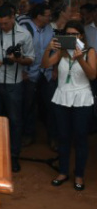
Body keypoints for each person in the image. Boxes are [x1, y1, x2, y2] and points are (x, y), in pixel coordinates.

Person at [0, 5, 34, 173]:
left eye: (5, 23)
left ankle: (14, 156)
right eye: (0, 23)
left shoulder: (24, 34)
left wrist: (18, 60)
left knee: (15, 121)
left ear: (13, 17)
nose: (2, 26)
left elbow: (31, 59)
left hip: (14, 83)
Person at [42, 21, 96, 191]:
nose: (72, 37)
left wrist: (80, 59)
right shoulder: (62, 52)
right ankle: (63, 171)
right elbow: (45, 65)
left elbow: (93, 75)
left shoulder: (89, 51)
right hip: (62, 97)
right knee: (63, 137)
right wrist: (47, 49)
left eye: (75, 34)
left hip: (82, 97)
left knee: (80, 137)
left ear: (81, 36)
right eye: (69, 34)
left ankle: (79, 174)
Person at [20, 4, 55, 148]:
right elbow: (19, 50)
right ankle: (28, 135)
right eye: (47, 15)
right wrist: (22, 71)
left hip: (46, 72)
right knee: (29, 106)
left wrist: (55, 68)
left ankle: (53, 137)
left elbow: (54, 49)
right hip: (30, 73)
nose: (50, 17)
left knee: (51, 105)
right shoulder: (24, 28)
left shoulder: (49, 29)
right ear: (39, 16)